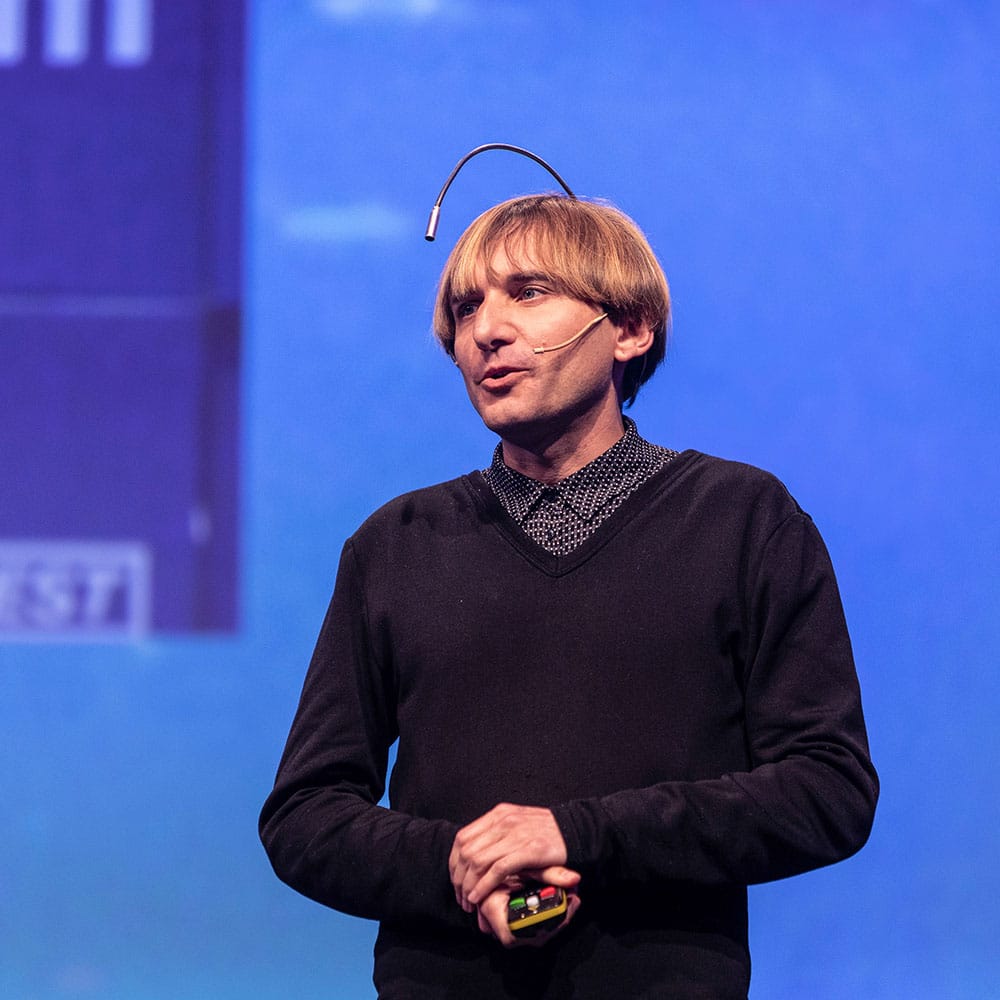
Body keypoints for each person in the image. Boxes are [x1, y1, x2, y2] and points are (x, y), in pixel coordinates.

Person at [259, 193, 878, 999]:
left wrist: (579, 836)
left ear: (630, 329)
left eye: (528, 292)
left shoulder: (741, 521)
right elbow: (304, 814)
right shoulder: (396, 545)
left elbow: (828, 790)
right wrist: (456, 868)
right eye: (465, 308)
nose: (487, 329)